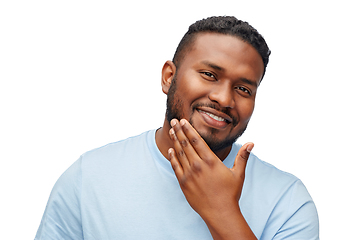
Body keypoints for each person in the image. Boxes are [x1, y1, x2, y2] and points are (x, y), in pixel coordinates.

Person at [35, 16, 319, 240]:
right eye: (209, 74)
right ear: (169, 77)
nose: (223, 98)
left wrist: (222, 211)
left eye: (243, 88)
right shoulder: (88, 178)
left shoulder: (288, 201)